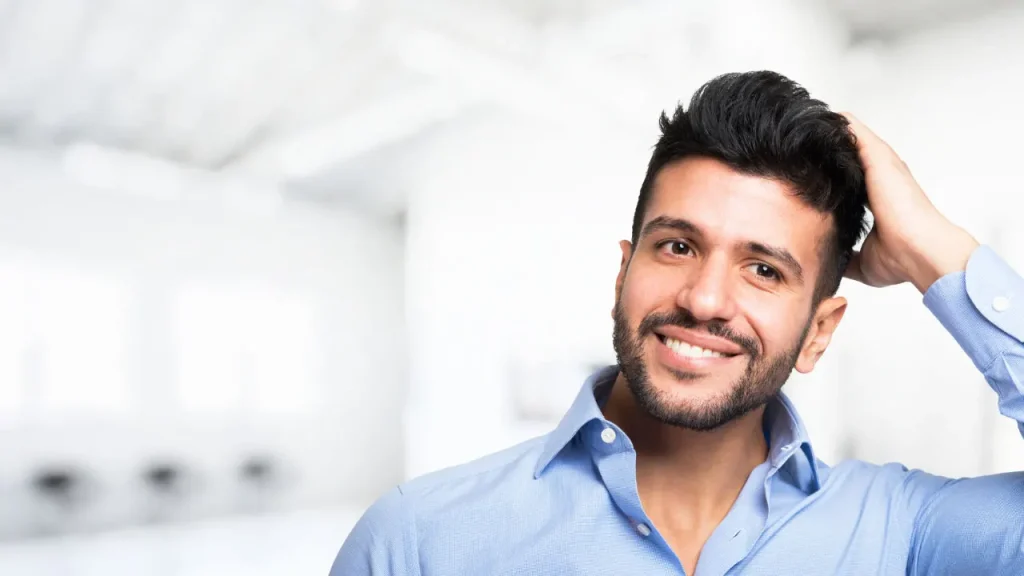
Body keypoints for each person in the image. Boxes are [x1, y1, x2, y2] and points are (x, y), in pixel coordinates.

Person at [331, 71, 1024, 575]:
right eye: (679, 246)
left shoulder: (904, 534)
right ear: (622, 275)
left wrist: (941, 251)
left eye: (764, 269)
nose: (705, 299)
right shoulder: (418, 542)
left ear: (820, 331)